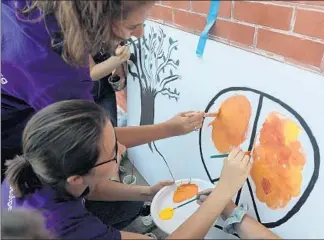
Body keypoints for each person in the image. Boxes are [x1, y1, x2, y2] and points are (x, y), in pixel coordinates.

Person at [1, 0, 205, 228]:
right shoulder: (57, 75)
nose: (140, 33)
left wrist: (146, 191)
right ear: (99, 20)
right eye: (132, 26)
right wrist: (170, 129)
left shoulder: (39, 13)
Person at [2, 100, 280, 239]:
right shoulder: (66, 228)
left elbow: (87, 187)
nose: (122, 150)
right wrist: (224, 191)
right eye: (113, 152)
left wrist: (146, 192)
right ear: (76, 176)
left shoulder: (38, 166)